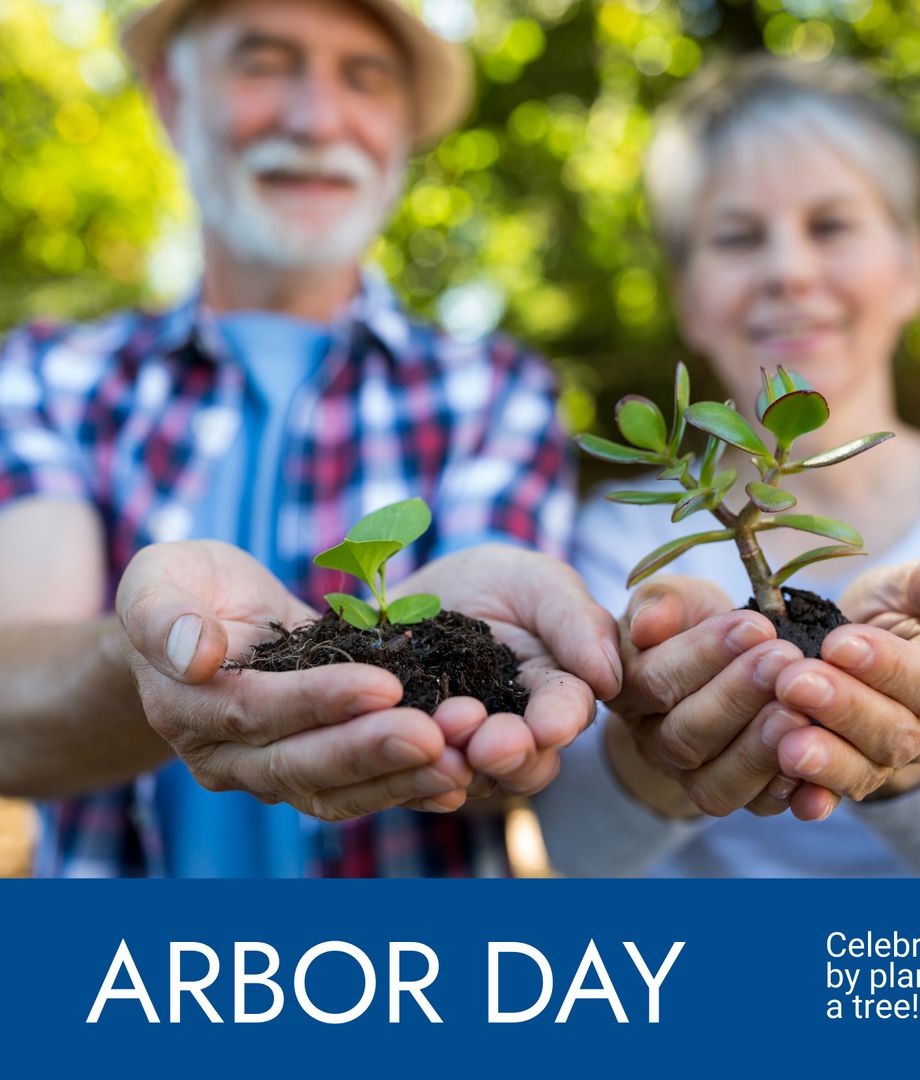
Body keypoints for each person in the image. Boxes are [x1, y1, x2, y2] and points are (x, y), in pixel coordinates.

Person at [0, 0, 620, 878]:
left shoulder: (493, 391)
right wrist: (151, 659)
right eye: (263, 61)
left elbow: (520, 733)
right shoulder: (48, 378)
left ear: (402, 126)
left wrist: (492, 706)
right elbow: (7, 708)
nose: (314, 117)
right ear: (173, 96)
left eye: (362, 76)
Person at [537, 54, 920, 877]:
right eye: (736, 237)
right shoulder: (614, 536)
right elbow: (571, 846)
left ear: (913, 268)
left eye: (831, 226)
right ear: (686, 296)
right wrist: (657, 759)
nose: (788, 271)